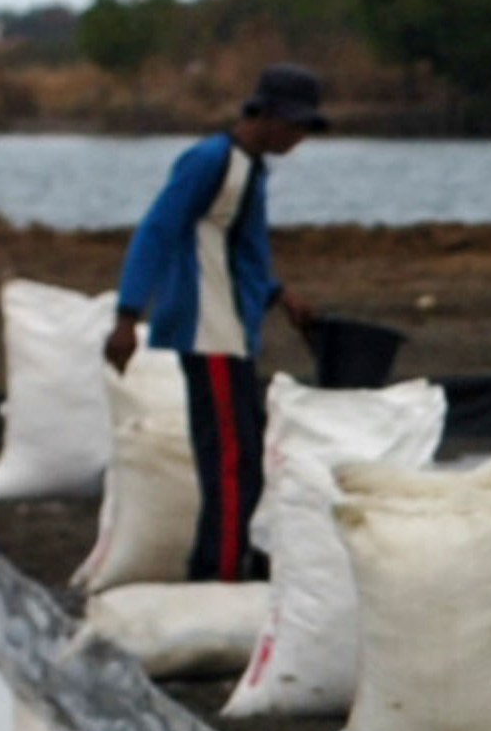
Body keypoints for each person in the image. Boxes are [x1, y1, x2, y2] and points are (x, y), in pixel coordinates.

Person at [105, 65, 332, 586]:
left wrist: (279, 295)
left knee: (243, 456)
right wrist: (127, 315)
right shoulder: (212, 161)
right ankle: (220, 573)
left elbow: (240, 250)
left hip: (232, 331)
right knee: (232, 462)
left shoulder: (250, 169)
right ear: (269, 116)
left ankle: (225, 559)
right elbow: (157, 231)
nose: (299, 140)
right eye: (296, 127)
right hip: (210, 333)